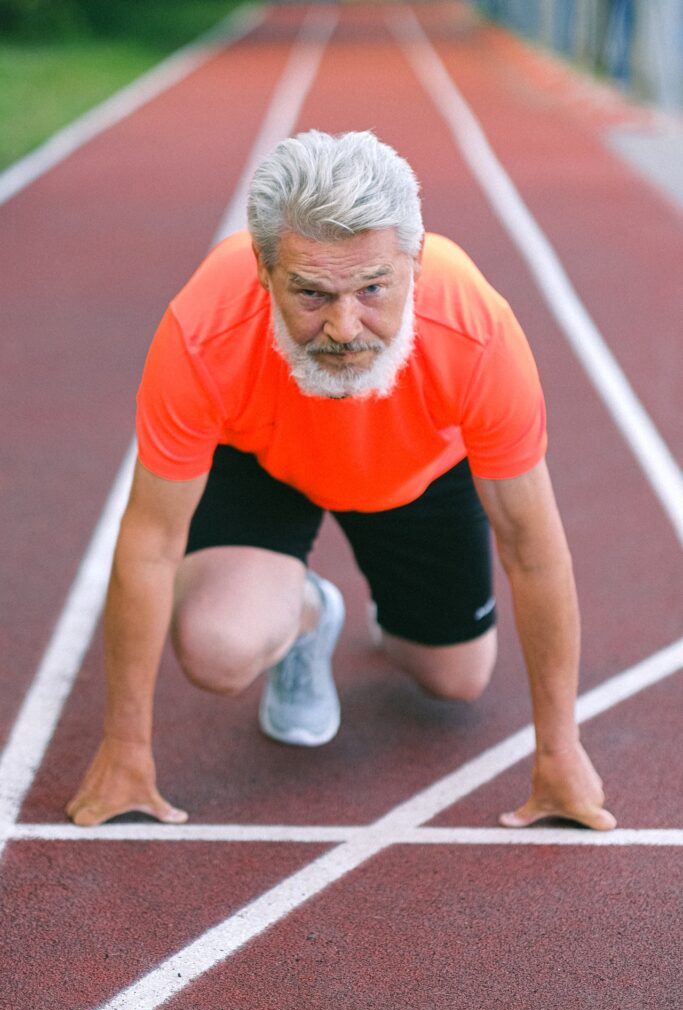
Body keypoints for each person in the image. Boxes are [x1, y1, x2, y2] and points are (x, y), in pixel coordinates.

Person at [67, 129, 616, 831]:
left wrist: (560, 749)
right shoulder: (203, 328)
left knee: (456, 680)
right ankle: (307, 615)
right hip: (265, 459)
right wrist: (124, 749)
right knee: (217, 649)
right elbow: (148, 544)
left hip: (417, 470)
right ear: (264, 270)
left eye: (372, 288)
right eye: (311, 293)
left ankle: (384, 618)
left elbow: (532, 548)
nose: (342, 327)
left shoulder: (475, 331)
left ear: (414, 262)